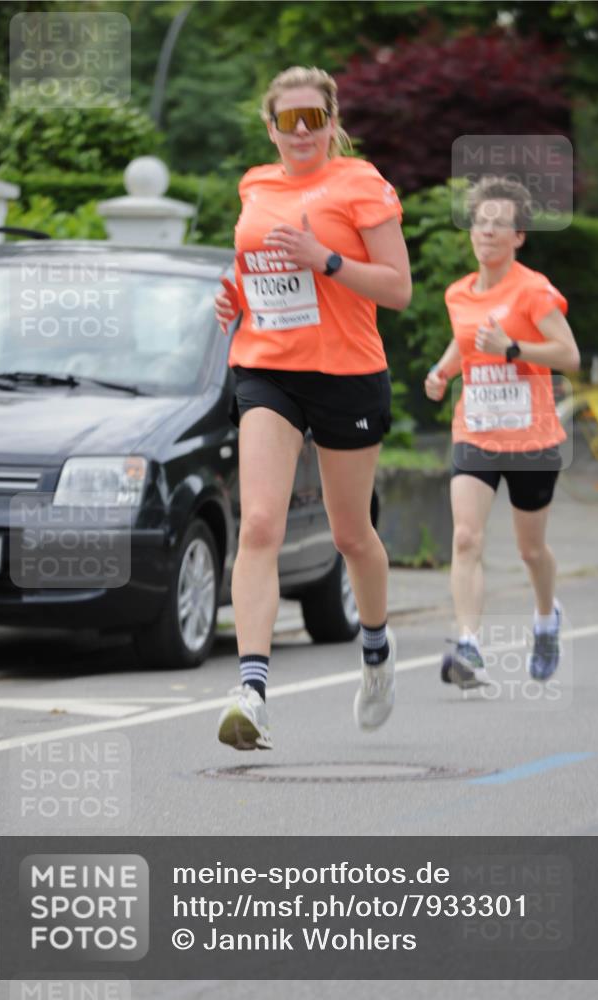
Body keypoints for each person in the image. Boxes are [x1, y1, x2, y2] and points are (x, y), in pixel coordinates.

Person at [214, 66, 412, 749]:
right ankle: (251, 693)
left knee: (350, 534)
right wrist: (233, 293)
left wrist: (324, 258)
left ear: (332, 122)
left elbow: (397, 289)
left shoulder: (360, 183)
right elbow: (253, 265)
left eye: (313, 119)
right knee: (259, 523)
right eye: (288, 120)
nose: (301, 131)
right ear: (269, 127)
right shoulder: (254, 184)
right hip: (267, 367)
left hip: (347, 373)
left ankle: (377, 649)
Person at [424, 176, 580, 689]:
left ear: (519, 236)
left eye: (499, 224)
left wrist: (513, 349)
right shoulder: (458, 293)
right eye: (480, 222)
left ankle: (546, 618)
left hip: (531, 440)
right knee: (466, 537)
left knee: (530, 550)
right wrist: (443, 371)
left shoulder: (534, 290)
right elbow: (466, 339)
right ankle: (468, 645)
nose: (487, 231)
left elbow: (569, 355)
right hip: (476, 432)